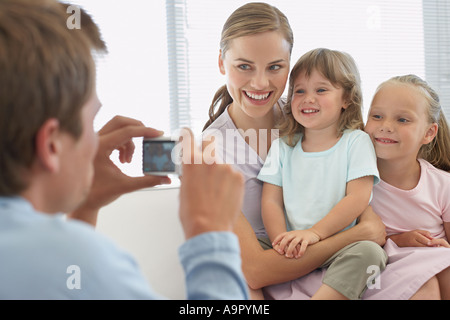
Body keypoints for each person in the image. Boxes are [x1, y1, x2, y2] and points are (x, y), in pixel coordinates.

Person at [0, 0, 249, 299]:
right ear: (51, 145)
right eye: (91, 119)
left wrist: (84, 209)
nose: (96, 138)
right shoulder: (86, 262)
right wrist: (211, 233)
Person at [202, 2, 387, 300]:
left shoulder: (311, 117)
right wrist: (360, 235)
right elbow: (255, 271)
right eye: (243, 66)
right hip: (271, 263)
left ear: (289, 66)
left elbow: (353, 195)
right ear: (222, 63)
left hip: (330, 258)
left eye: (275, 67)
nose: (260, 82)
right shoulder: (205, 154)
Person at [257, 48, 385, 300]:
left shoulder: (356, 141)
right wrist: (280, 240)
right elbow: (270, 199)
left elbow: (357, 198)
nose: (308, 98)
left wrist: (315, 234)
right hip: (292, 241)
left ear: (346, 98)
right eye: (300, 91)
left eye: (321, 90)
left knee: (370, 253)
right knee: (237, 252)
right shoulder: (282, 146)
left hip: (339, 245)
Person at [363, 75, 450, 300]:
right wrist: (398, 240)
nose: (385, 126)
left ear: (429, 133)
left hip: (432, 263)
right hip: (378, 267)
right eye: (377, 116)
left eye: (402, 120)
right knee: (426, 285)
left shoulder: (442, 185)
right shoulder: (356, 181)